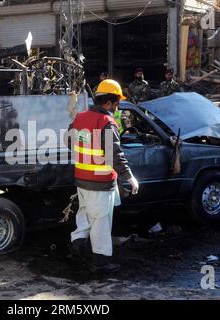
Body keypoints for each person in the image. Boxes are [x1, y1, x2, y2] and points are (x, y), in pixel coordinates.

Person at [67, 79, 139, 274]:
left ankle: (77, 250)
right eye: (116, 104)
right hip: (99, 182)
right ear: (108, 102)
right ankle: (100, 263)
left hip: (82, 180)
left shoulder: (81, 118)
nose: (117, 108)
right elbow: (113, 154)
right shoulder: (107, 122)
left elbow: (69, 141)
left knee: (84, 216)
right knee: (100, 221)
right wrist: (130, 177)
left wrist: (90, 141)